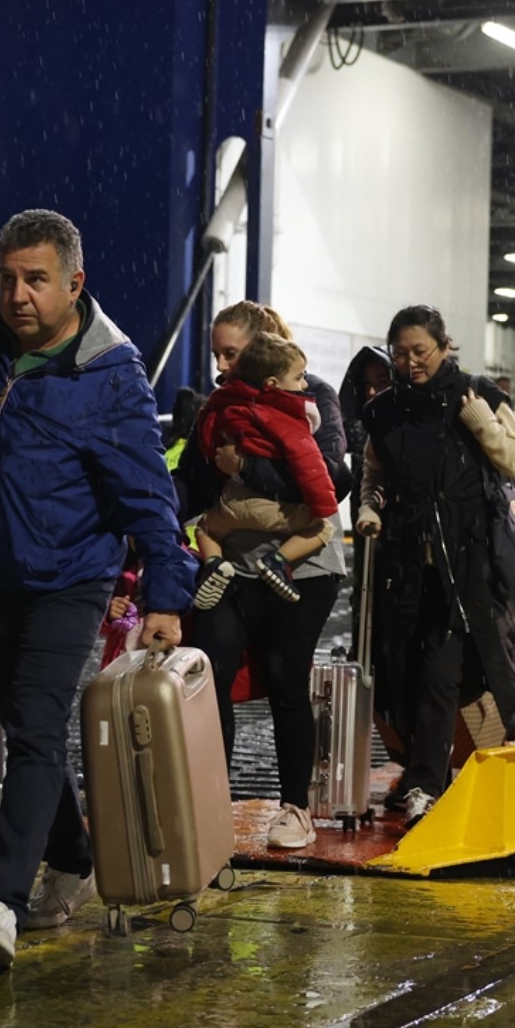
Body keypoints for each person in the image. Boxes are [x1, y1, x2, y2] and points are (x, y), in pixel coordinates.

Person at [0, 209, 195, 969]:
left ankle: (2, 901)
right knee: (29, 729)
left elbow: (149, 495)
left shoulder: (109, 373)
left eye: (35, 280)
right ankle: (74, 855)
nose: (18, 295)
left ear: (75, 283)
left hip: (70, 578)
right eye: (7, 278)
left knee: (33, 727)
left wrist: (165, 595)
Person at [175, 300, 350, 851]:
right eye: (216, 355)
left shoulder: (310, 395)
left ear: (261, 345)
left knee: (284, 678)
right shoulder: (219, 405)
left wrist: (246, 466)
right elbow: (194, 480)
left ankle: (295, 807)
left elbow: (326, 480)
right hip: (233, 561)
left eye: (232, 353)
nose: (222, 366)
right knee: (210, 671)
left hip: (303, 563)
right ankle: (210, 803)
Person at [356, 305, 515, 823]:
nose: (411, 362)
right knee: (400, 672)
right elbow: (374, 476)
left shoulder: (478, 396)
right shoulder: (384, 412)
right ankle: (418, 771)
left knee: (439, 672)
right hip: (406, 566)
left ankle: (428, 781)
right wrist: (370, 506)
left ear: (444, 346)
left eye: (420, 351)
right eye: (401, 353)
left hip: (468, 567)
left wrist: (483, 428)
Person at [191, 332, 338, 607]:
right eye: (298, 378)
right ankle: (278, 561)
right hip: (270, 509)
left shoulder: (226, 405)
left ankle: (214, 564)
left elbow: (207, 438)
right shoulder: (285, 417)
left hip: (232, 503)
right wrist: (322, 504)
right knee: (322, 528)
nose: (305, 384)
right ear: (272, 383)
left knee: (206, 529)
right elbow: (309, 462)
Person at [338, 345, 393, 642]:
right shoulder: (360, 429)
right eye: (366, 385)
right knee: (366, 587)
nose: (372, 392)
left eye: (382, 383)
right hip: (367, 524)